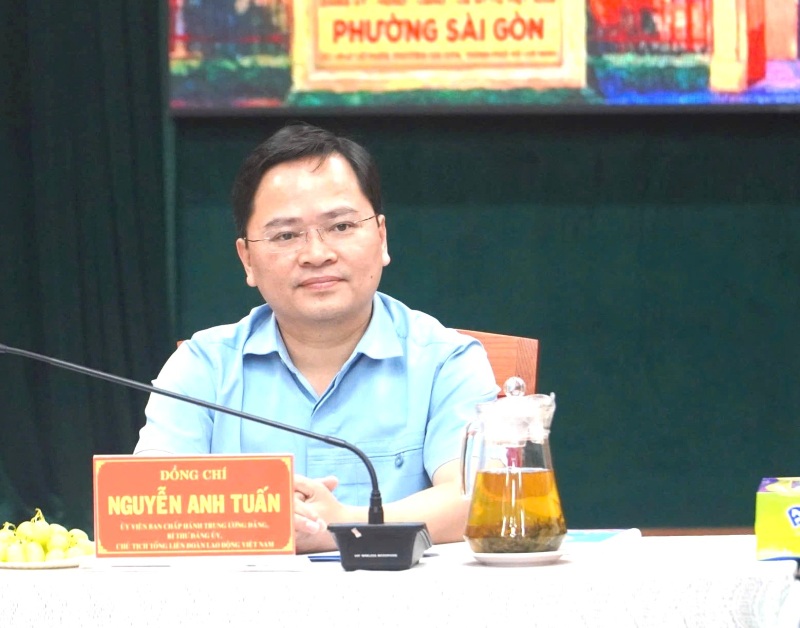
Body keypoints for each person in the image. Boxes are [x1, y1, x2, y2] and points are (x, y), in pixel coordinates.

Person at [134, 123, 499, 552]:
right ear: (247, 259)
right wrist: (261, 518)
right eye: (286, 235)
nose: (317, 254)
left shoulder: (445, 361)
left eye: (341, 226)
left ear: (381, 237)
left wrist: (342, 526)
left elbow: (477, 499)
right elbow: (147, 507)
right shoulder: (203, 368)